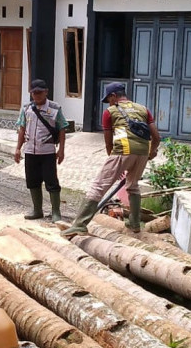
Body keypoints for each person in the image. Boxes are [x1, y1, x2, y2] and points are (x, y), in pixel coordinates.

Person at [62, 82, 160, 237]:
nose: (108, 102)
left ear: (114, 96)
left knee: (99, 186)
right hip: (142, 152)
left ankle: (80, 224)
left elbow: (108, 143)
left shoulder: (110, 112)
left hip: (123, 150)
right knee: (133, 186)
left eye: (109, 99)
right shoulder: (143, 109)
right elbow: (157, 137)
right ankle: (134, 224)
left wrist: (114, 162)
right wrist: (151, 152)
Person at [14, 79, 67, 222]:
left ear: (46, 92)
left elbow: (62, 128)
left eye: (39, 92)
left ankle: (56, 211)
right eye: (34, 93)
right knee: (32, 181)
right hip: (30, 151)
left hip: (48, 152)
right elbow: (21, 129)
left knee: (52, 181)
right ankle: (37, 209)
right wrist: (18, 149)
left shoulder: (55, 108)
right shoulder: (26, 109)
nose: (36, 95)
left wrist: (61, 150)